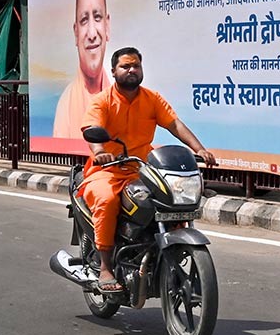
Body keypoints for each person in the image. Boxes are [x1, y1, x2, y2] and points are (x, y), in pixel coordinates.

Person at [80, 47, 217, 292]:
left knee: (169, 199)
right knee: (107, 200)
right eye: (125, 66)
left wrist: (200, 149)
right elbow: (91, 128)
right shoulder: (103, 101)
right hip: (107, 170)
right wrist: (100, 152)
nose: (132, 70)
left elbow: (174, 124)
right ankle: (105, 266)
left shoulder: (151, 98)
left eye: (136, 66)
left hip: (141, 169)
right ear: (113, 72)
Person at [53, 0, 111, 137]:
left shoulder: (121, 97)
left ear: (107, 27)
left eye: (97, 17)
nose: (92, 34)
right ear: (76, 32)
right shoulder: (66, 106)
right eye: (84, 20)